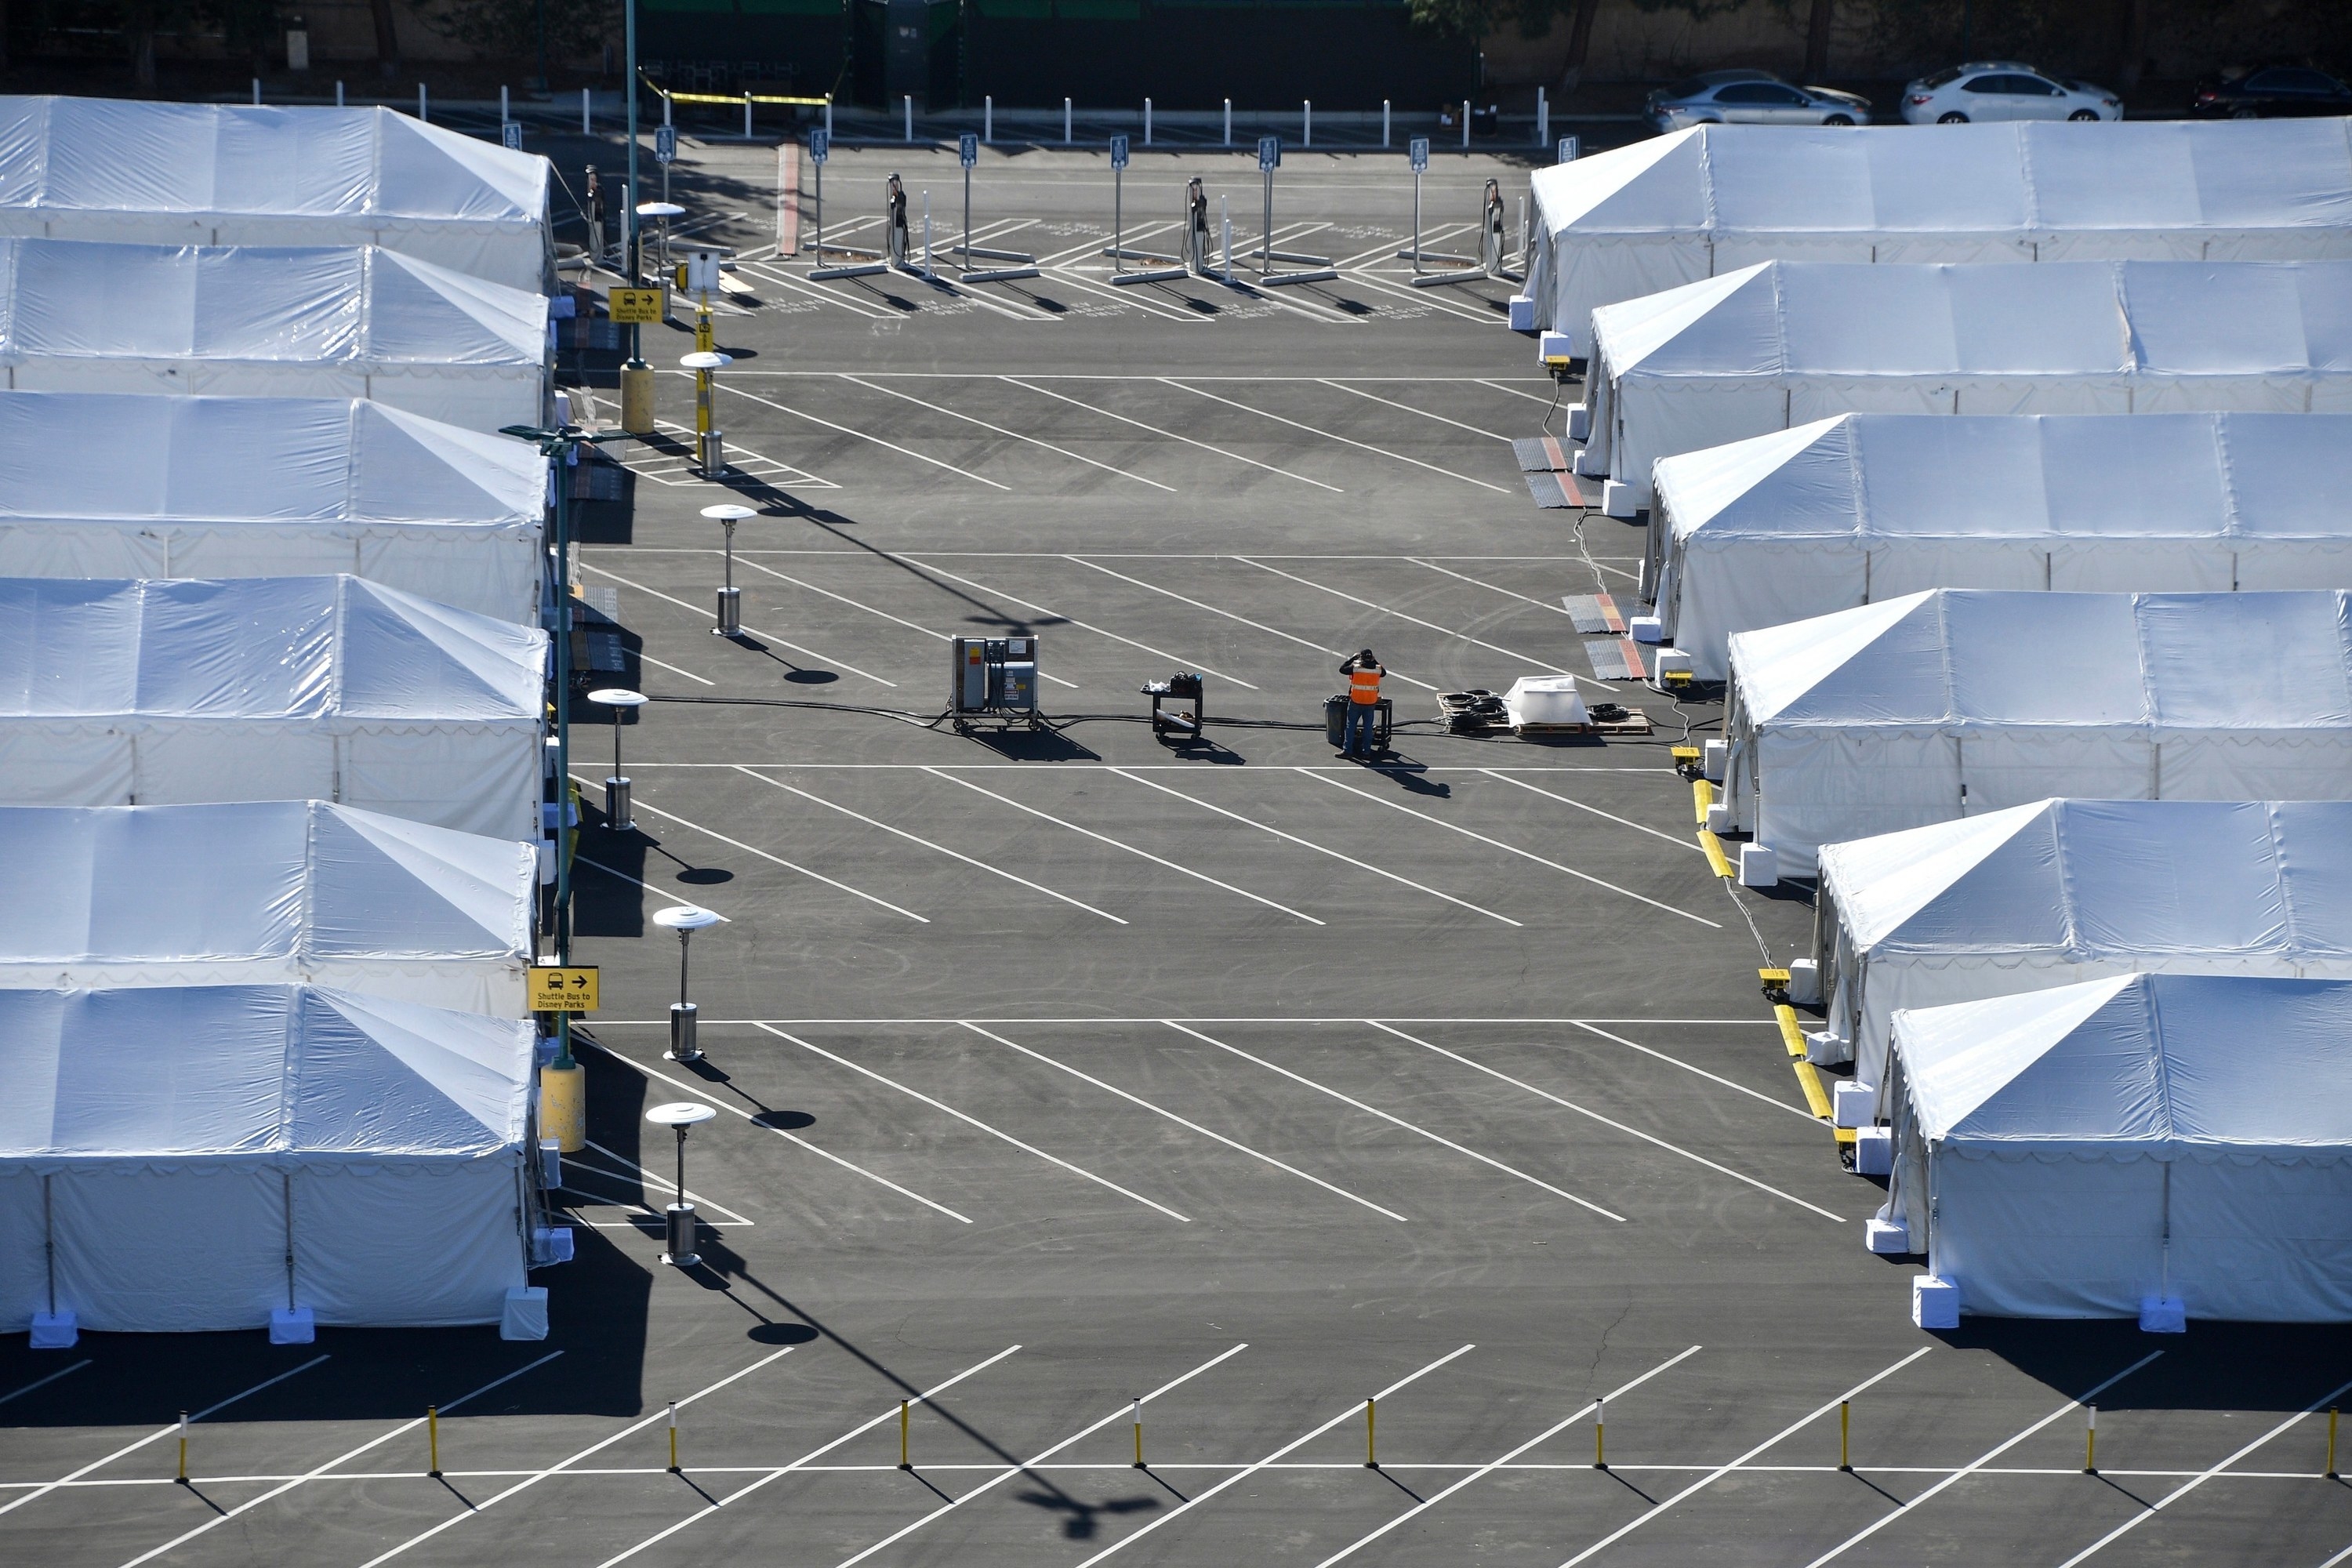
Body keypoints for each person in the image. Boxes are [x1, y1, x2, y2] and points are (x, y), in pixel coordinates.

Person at [1339, 649, 1385, 759]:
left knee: (1351, 726)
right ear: (1372, 657)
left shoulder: (1356, 668)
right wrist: (1375, 660)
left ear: (1361, 658)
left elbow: (1342, 669)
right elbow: (1384, 673)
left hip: (1356, 701)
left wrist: (1352, 659)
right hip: (1370, 702)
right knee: (1368, 728)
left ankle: (1348, 751)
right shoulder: (1378, 669)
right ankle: (1366, 752)